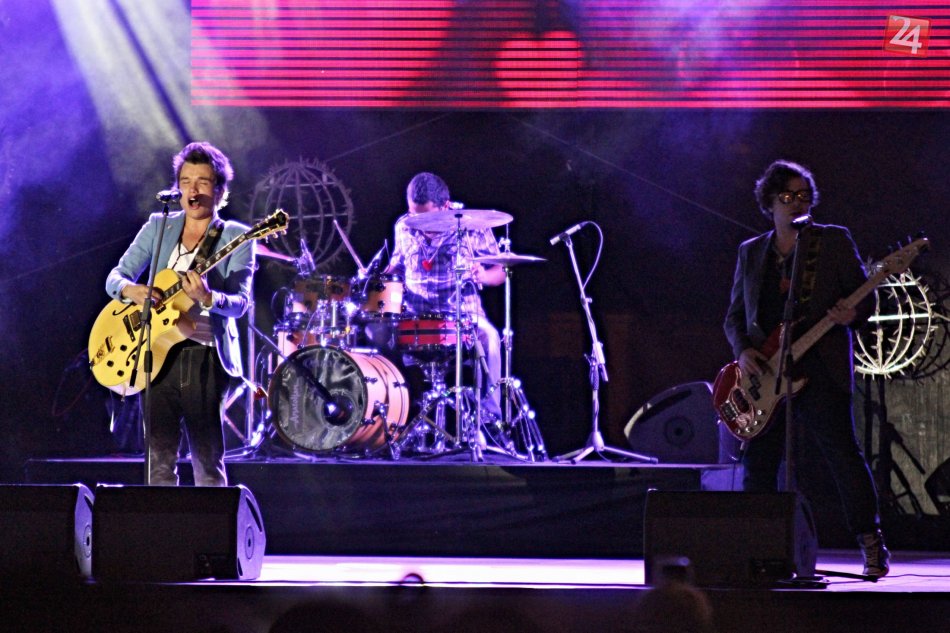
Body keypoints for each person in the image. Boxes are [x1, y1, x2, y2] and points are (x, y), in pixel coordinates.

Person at [723, 159, 889, 577]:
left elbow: (864, 298)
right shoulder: (751, 252)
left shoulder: (832, 241)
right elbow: (735, 316)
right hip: (767, 373)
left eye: (803, 195)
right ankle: (758, 550)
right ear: (770, 203)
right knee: (758, 463)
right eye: (787, 196)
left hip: (821, 367)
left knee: (842, 456)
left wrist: (854, 314)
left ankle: (871, 544)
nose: (797, 202)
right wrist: (743, 351)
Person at [105, 142, 254, 486]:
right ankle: (161, 522)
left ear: (219, 191)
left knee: (207, 463)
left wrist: (208, 297)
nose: (193, 190)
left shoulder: (237, 236)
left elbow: (241, 303)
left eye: (202, 182)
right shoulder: (159, 227)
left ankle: (213, 521)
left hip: (205, 356)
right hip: (156, 353)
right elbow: (116, 277)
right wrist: (131, 290)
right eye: (185, 182)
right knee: (158, 463)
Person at [384, 172, 505, 418]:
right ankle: (390, 417)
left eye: (426, 217)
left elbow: (501, 270)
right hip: (416, 317)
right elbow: (396, 265)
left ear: (445, 206)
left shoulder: (471, 225)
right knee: (376, 335)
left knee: (491, 338)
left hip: (463, 315)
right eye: (414, 214)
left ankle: (490, 417)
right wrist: (375, 278)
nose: (419, 222)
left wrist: (483, 275)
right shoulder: (403, 225)